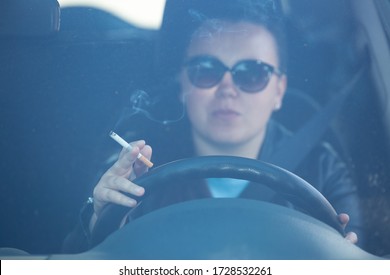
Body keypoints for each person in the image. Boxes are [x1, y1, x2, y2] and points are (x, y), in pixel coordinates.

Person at [62, 0, 364, 253]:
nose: (227, 88)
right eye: (206, 70)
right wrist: (98, 224)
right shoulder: (137, 169)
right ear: (182, 83)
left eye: (251, 73)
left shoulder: (321, 166)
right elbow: (84, 260)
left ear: (279, 90)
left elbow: (358, 253)